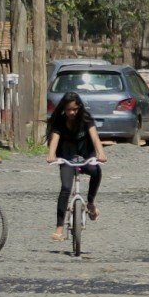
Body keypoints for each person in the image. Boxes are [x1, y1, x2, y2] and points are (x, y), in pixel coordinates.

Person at [46, 91, 107, 242]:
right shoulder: (60, 121)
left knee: (96, 171)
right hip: (67, 158)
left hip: (85, 157)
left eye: (74, 109)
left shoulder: (85, 118)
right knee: (66, 188)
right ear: (64, 109)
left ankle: (91, 203)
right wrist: (51, 154)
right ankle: (59, 228)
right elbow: (55, 138)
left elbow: (94, 137)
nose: (72, 112)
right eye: (68, 109)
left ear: (79, 107)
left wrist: (101, 153)